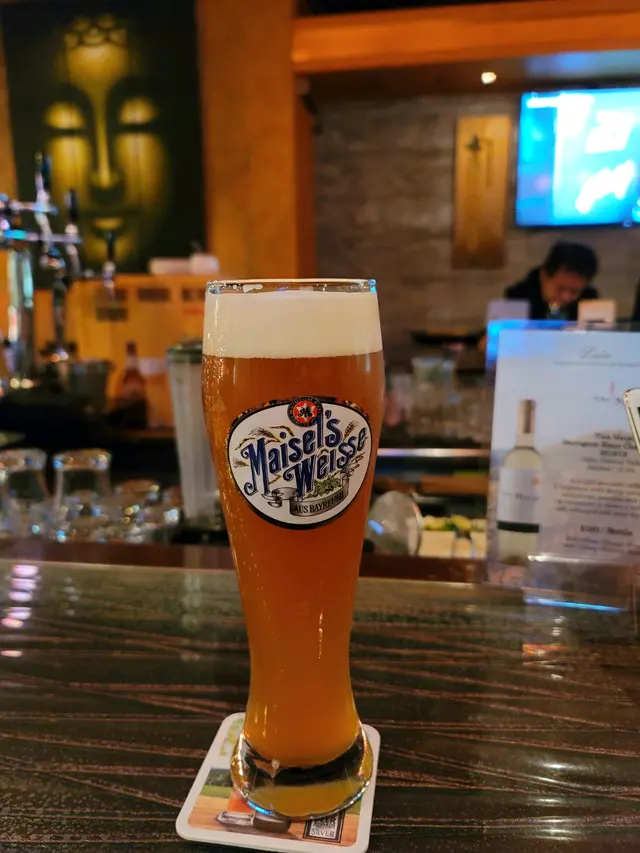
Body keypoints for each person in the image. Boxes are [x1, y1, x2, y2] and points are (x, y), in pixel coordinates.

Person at [505, 242, 599, 320]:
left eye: (574, 291)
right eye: (560, 288)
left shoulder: (589, 301)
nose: (566, 297)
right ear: (543, 277)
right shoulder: (517, 300)